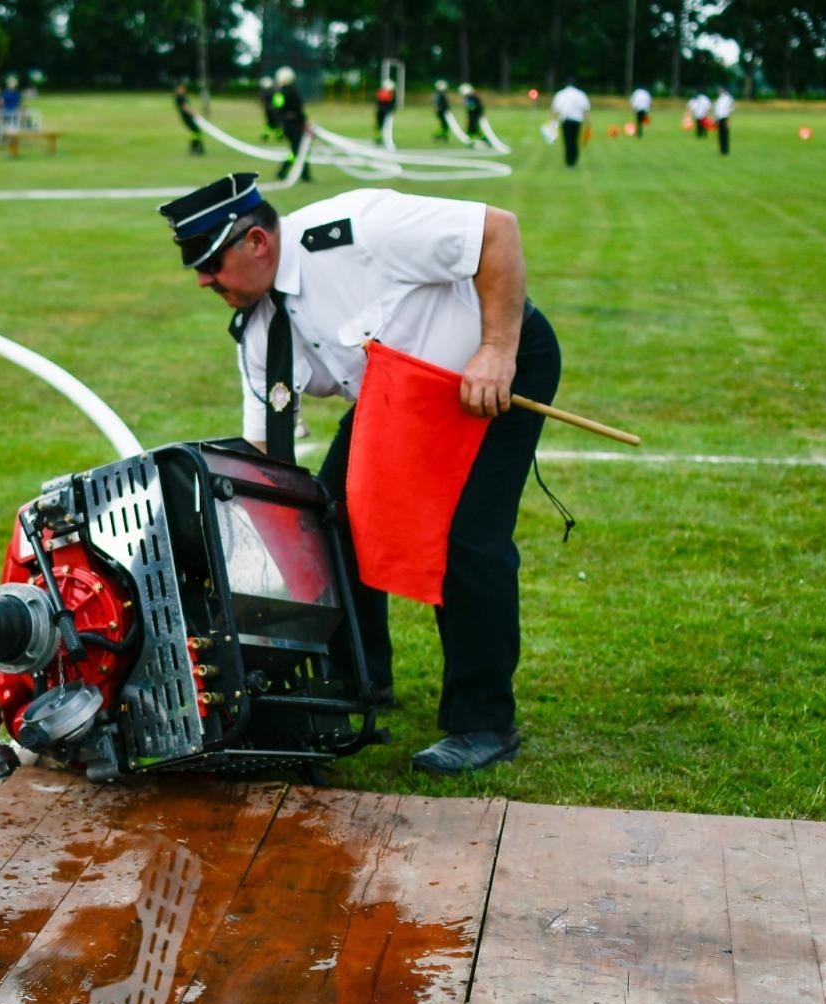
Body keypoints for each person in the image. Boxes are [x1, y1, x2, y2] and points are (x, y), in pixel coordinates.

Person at [157, 172, 560, 774]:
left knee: (466, 540)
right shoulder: (258, 328)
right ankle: (357, 682)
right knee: (328, 519)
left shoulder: (358, 231)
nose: (202, 279)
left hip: (494, 373)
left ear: (259, 242)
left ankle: (484, 722)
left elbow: (496, 231)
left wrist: (497, 350)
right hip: (398, 400)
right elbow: (266, 453)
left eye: (213, 262)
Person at [271, 65, 310, 182]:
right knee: (300, 150)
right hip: (295, 125)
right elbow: (298, 110)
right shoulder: (292, 92)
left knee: (296, 150)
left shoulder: (279, 93)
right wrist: (304, 122)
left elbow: (276, 108)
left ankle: (291, 172)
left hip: (286, 125)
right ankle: (301, 174)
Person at [550, 76, 590, 167]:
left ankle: (569, 161)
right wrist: (588, 124)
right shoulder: (581, 94)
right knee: (574, 140)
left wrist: (552, 121)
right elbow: (585, 111)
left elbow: (555, 109)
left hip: (566, 120)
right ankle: (574, 159)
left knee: (567, 141)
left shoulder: (561, 94)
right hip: (577, 121)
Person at [174, 81, 203, 156]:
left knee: (195, 132)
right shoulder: (180, 97)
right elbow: (185, 107)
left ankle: (196, 147)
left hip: (188, 117)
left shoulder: (180, 96)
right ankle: (196, 148)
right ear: (178, 89)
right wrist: (194, 113)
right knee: (196, 131)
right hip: (187, 117)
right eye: (181, 88)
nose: (183, 89)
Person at [713, 85, 734, 155]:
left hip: (725, 118)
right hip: (719, 118)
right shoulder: (720, 98)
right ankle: (721, 149)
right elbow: (717, 109)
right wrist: (715, 119)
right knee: (720, 135)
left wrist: (729, 120)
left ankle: (725, 150)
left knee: (725, 135)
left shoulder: (729, 98)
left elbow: (730, 110)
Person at [374, 77, 396, 143]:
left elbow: (377, 102)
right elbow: (391, 104)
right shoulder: (389, 93)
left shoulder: (380, 92)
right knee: (385, 126)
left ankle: (379, 139)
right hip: (386, 112)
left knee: (380, 126)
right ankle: (383, 139)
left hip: (380, 111)